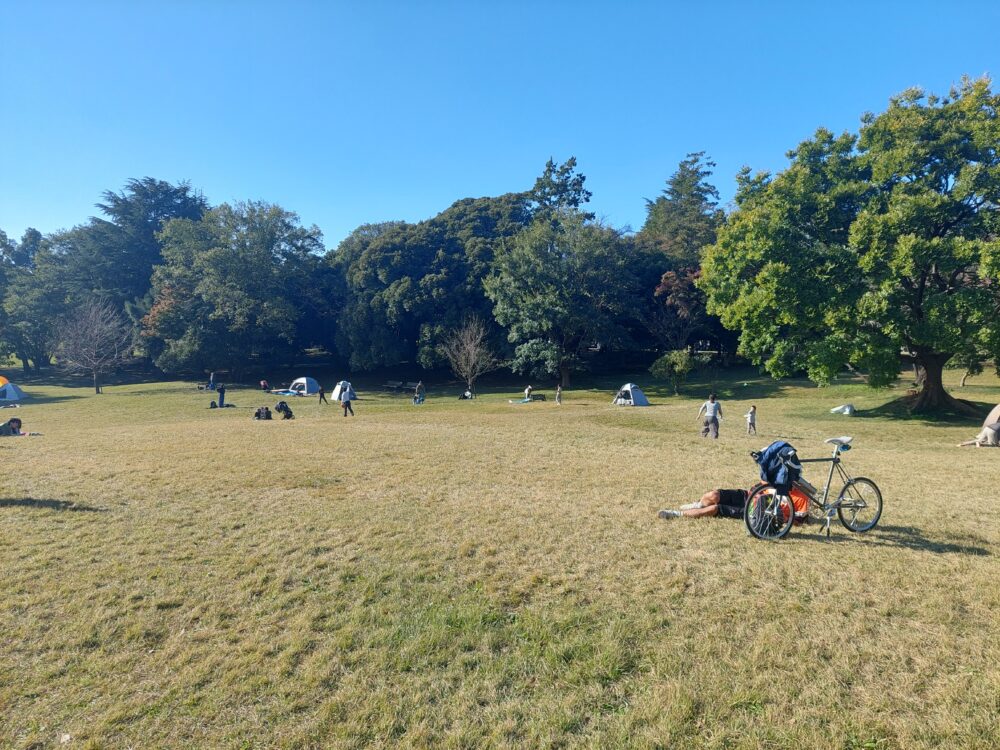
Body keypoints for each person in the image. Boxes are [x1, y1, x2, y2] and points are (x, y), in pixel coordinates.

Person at [658, 483, 810, 521]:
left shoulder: (801, 497)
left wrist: (780, 517)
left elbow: (799, 519)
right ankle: (698, 505)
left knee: (716, 508)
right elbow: (757, 486)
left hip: (756, 510)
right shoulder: (774, 478)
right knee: (715, 494)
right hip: (747, 496)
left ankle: (676, 514)